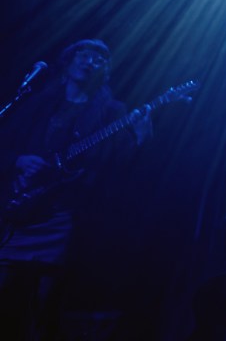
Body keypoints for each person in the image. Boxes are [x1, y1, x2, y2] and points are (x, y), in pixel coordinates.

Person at [0, 38, 152, 339]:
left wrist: (139, 140)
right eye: (83, 54)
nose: (89, 61)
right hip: (18, 206)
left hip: (62, 214)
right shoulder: (38, 102)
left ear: (104, 71)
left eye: (99, 59)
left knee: (45, 300)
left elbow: (117, 165)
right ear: (68, 62)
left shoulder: (111, 111)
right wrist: (18, 161)